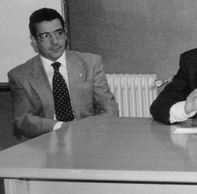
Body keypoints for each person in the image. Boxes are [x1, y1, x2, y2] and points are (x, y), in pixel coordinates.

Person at [8, 7, 119, 139]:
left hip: (89, 138)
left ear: (65, 34)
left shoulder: (91, 63)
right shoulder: (20, 75)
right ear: (33, 40)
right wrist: (61, 127)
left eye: (59, 33)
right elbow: (23, 119)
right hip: (47, 142)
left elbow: (108, 107)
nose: (55, 41)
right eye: (45, 36)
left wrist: (90, 134)